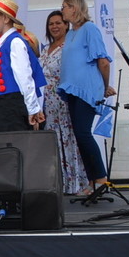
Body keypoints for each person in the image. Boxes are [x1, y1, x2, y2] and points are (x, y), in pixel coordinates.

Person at [57, 0, 115, 197]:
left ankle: (100, 179)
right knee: (80, 135)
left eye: (64, 6)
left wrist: (105, 86)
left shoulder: (90, 29)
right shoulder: (71, 33)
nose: (62, 10)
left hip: (87, 89)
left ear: (74, 8)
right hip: (73, 89)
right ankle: (92, 180)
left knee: (83, 133)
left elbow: (103, 62)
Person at [38, 11, 90, 196]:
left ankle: (76, 183)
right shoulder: (45, 48)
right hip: (47, 103)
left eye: (58, 23)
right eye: (51, 23)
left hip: (64, 98)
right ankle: (58, 182)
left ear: (66, 25)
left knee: (68, 138)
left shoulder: (70, 46)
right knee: (53, 139)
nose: (54, 26)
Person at [0, 0, 46, 133]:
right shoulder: (4, 42)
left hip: (12, 102)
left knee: (15, 139)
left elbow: (24, 77)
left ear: (5, 18)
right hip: (4, 101)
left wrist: (33, 108)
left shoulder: (15, 42)